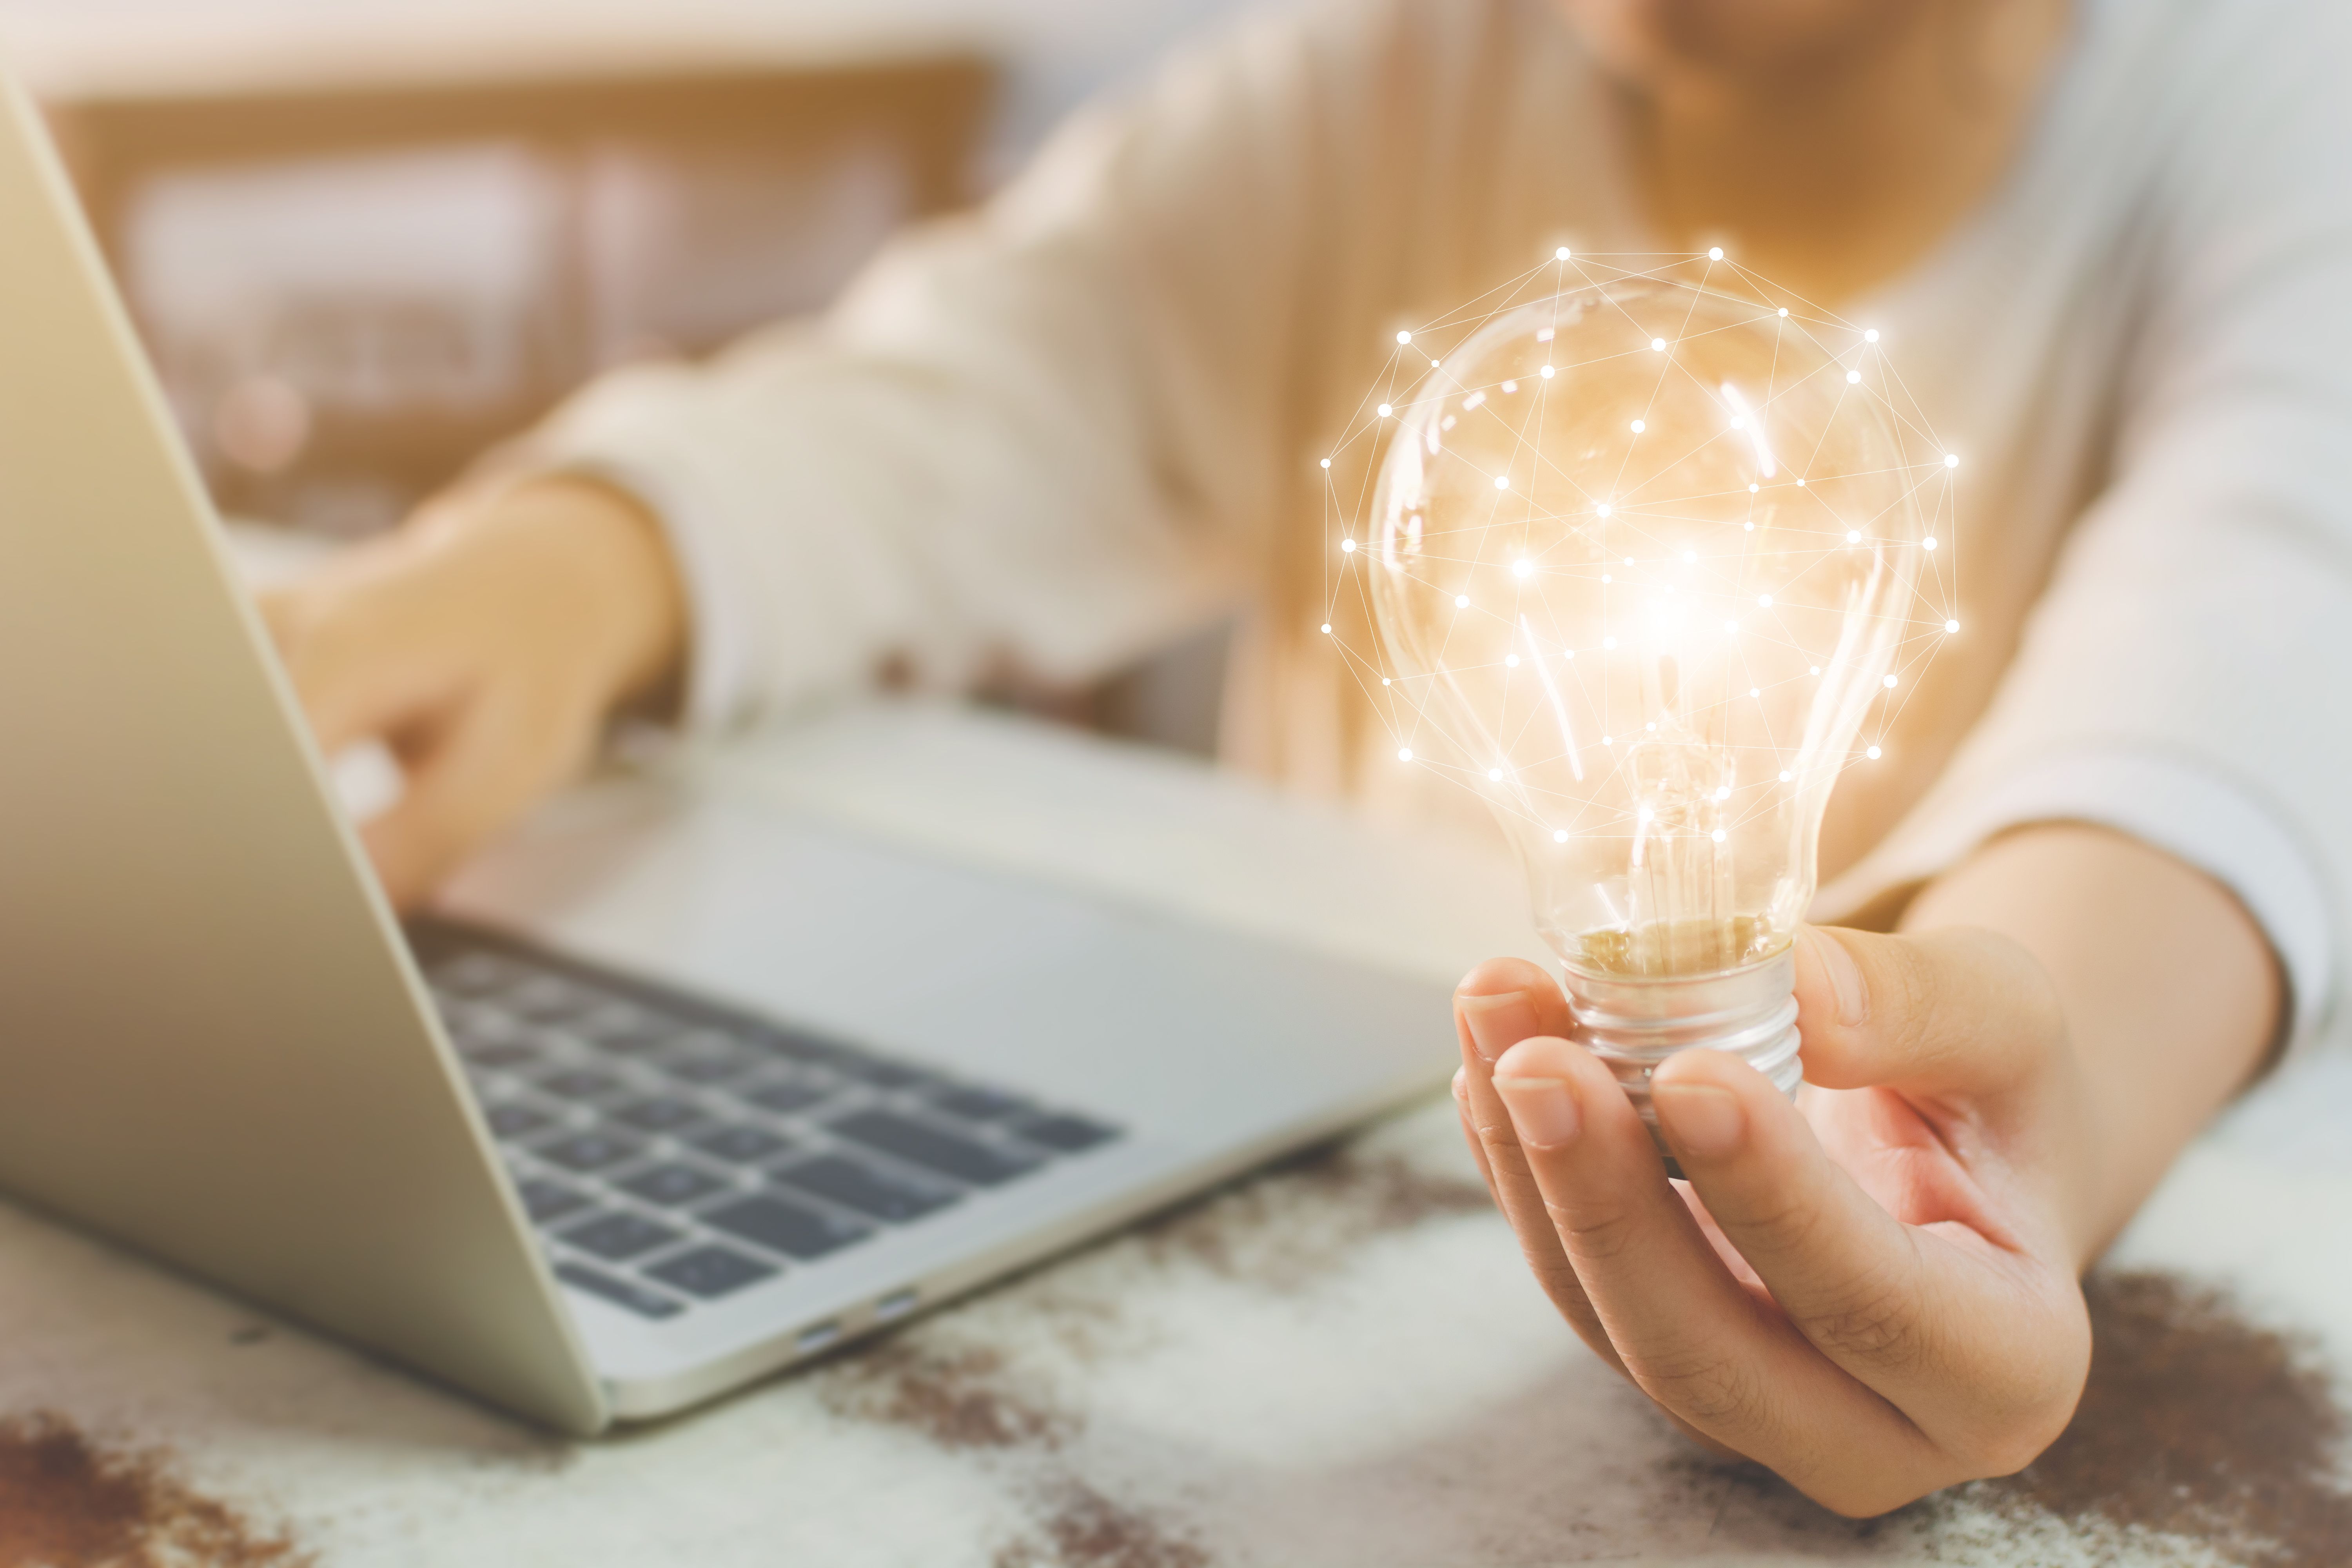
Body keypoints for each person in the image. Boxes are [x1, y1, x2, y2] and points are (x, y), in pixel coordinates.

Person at [260, 0, 2352, 1516]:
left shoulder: (2274, 121)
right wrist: (565, 569)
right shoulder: (1387, 84)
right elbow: (973, 387)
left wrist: (2024, 1104)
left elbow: (2252, 651)